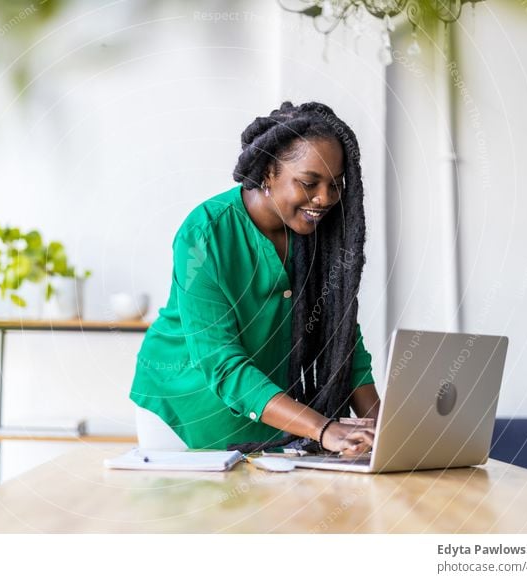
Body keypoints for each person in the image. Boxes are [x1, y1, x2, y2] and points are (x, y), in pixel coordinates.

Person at [129, 101, 380, 455]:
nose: (324, 198)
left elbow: (342, 343)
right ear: (267, 173)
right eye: (309, 182)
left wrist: (384, 432)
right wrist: (323, 429)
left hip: (275, 418)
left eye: (335, 185)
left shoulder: (319, 238)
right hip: (185, 411)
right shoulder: (204, 233)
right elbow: (223, 365)